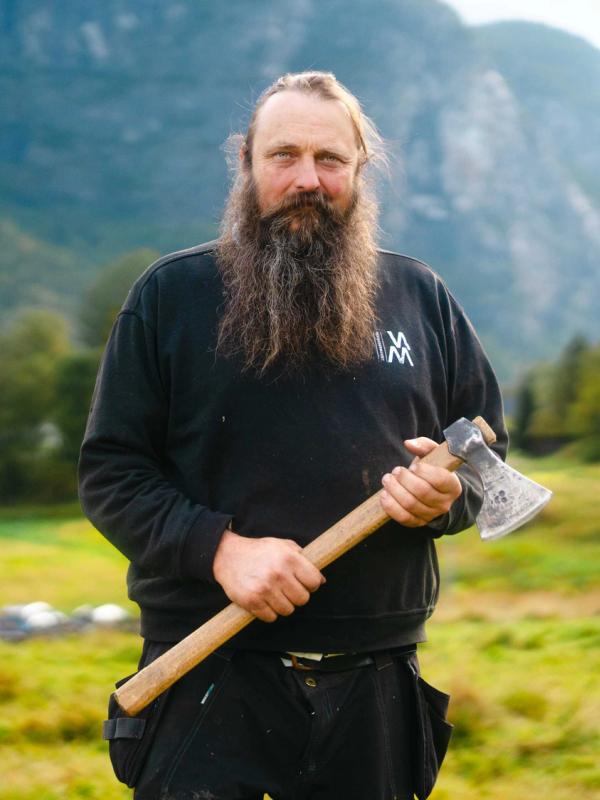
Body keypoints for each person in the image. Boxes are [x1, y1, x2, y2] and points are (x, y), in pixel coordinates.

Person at [79, 71, 507, 800]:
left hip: (375, 687)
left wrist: (446, 495)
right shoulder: (171, 297)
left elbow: (484, 457)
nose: (307, 179)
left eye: (330, 160)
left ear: (360, 170)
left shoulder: (421, 297)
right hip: (207, 676)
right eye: (284, 156)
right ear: (245, 161)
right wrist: (219, 549)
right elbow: (111, 472)